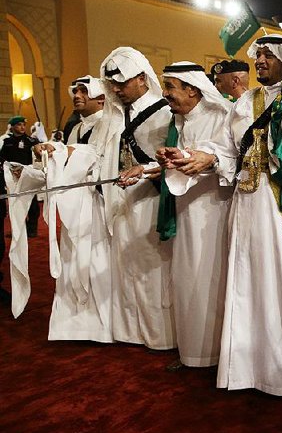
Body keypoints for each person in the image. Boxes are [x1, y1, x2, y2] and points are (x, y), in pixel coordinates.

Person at [182, 34, 282, 398]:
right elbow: (227, 149)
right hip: (249, 206)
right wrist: (205, 158)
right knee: (251, 281)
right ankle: (252, 370)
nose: (260, 61)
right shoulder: (244, 103)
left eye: (269, 55)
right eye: (259, 56)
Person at [155, 62, 233, 371]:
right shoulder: (178, 121)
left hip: (214, 211)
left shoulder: (221, 117)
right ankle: (192, 352)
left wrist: (204, 159)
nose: (166, 93)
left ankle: (217, 356)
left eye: (171, 87)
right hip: (186, 212)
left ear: (191, 88)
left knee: (211, 280)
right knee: (188, 279)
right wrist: (160, 162)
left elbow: (230, 158)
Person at [98, 47, 176, 350]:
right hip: (124, 202)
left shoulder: (164, 110)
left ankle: (161, 336)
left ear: (142, 78)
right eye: (112, 85)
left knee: (153, 270)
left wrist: (145, 169)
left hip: (153, 202)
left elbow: (177, 157)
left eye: (122, 83)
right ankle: (131, 332)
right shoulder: (116, 115)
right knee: (126, 265)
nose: (116, 90)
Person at [25, 75, 113, 341]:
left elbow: (99, 160)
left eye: (84, 91)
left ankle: (101, 325)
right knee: (72, 261)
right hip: (74, 204)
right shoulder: (76, 128)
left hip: (96, 205)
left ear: (100, 97)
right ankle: (74, 324)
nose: (76, 96)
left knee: (96, 259)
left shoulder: (109, 125)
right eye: (75, 91)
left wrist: (65, 152)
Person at [1, 116, 41, 238]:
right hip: (13, 177)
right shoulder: (7, 142)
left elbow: (38, 155)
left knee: (32, 204)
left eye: (23, 124)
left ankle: (32, 229)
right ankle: (20, 229)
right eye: (19, 125)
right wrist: (10, 168)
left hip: (28, 175)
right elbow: (2, 158)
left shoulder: (31, 141)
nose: (22, 127)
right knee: (17, 204)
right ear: (12, 127)